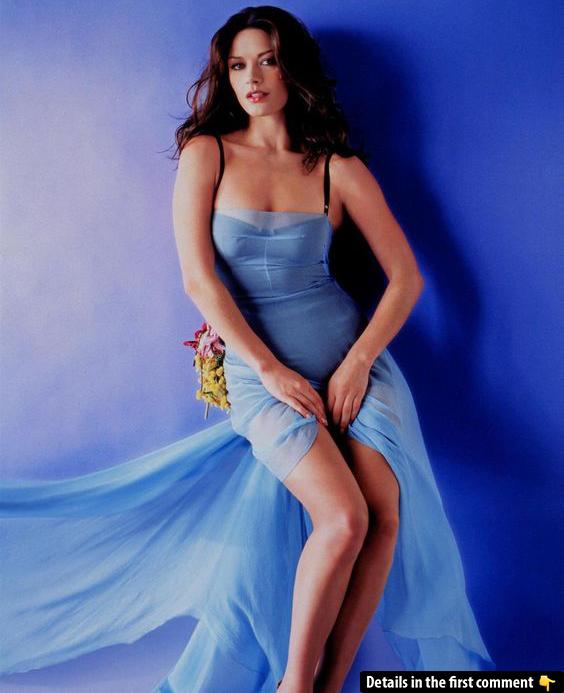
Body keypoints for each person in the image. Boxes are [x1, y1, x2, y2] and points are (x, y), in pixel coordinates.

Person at [0, 6, 495, 692]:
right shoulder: (208, 153)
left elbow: (408, 278)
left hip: (354, 364)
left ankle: (331, 682)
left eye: (267, 61)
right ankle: (295, 683)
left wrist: (357, 364)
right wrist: (268, 368)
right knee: (343, 518)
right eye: (237, 65)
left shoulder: (337, 169)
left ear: (293, 71)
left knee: (385, 516)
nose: (252, 78)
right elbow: (198, 280)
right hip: (262, 371)